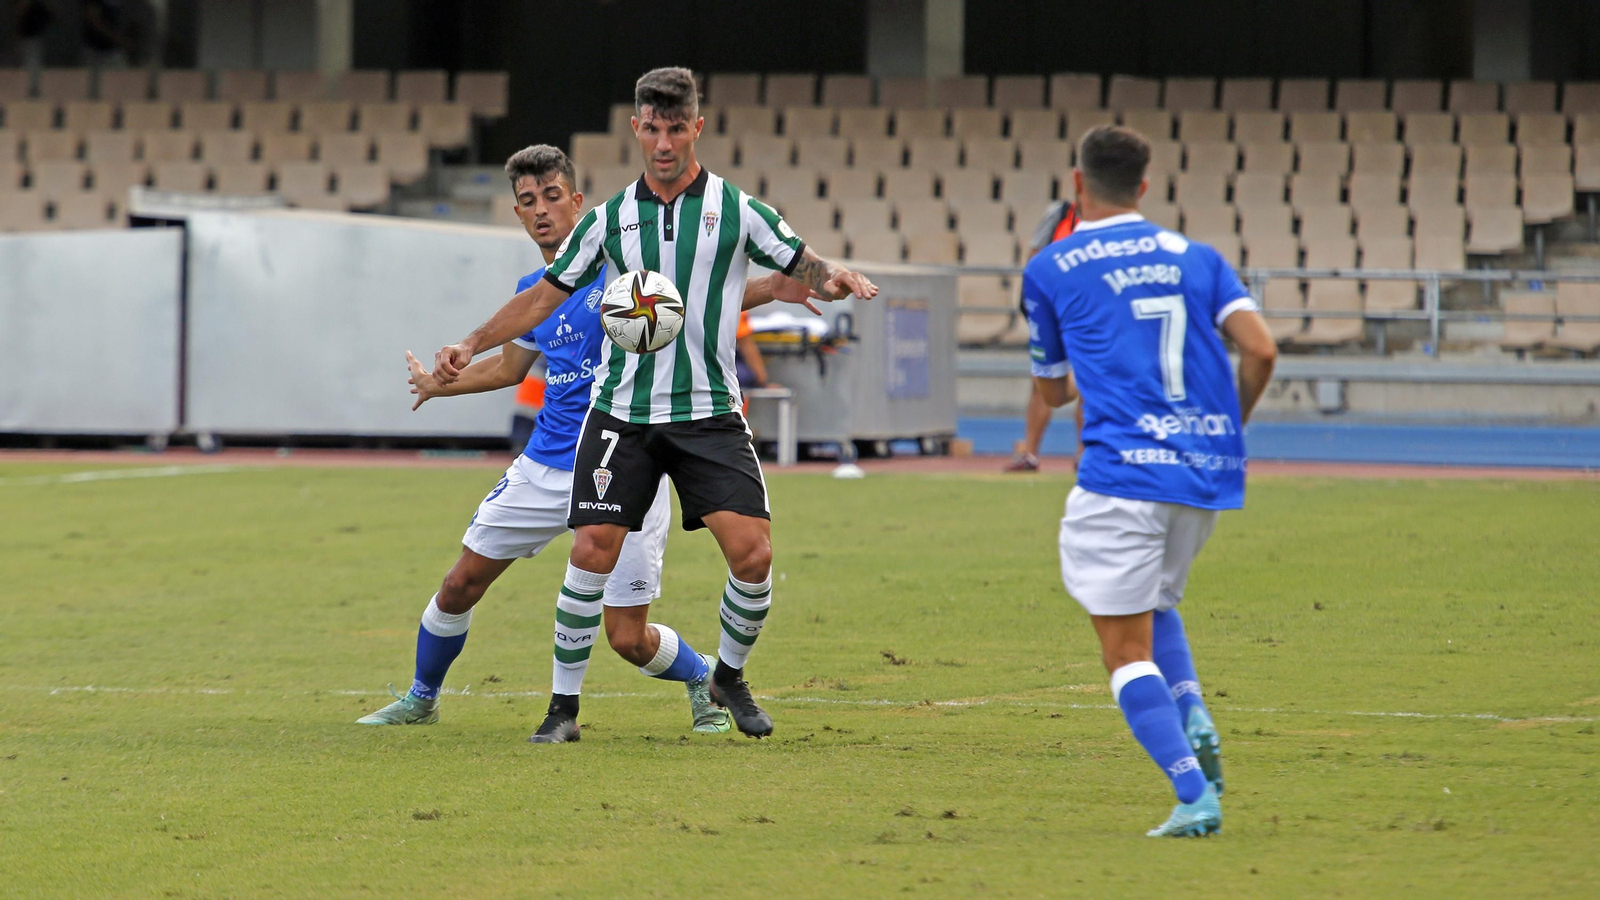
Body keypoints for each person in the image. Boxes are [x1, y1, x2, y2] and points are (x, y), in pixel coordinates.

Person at [432, 67, 878, 739]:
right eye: (653, 128)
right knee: (591, 550)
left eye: (677, 128)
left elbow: (799, 260)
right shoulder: (609, 219)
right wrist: (471, 340)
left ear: (696, 127)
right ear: (636, 128)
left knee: (753, 556)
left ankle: (726, 675)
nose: (664, 142)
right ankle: (563, 711)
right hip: (622, 415)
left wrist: (833, 275)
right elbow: (541, 299)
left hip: (706, 411)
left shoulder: (736, 210)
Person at [358, 144, 822, 742]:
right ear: (519, 215)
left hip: (625, 459)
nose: (542, 210)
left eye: (553, 196)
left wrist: (768, 288)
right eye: (528, 202)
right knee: (459, 583)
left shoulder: (623, 270)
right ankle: (422, 698)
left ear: (578, 201)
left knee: (627, 638)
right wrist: (437, 386)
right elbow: (507, 369)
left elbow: (697, 295)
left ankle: (702, 678)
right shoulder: (536, 291)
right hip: (547, 465)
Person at [1023, 125, 1277, 836]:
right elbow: (1260, 350)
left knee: (1122, 650)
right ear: (1144, 184)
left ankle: (1193, 793)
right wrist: (1231, 422)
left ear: (1077, 184)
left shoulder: (1050, 266)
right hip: (1204, 473)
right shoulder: (1199, 258)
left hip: (1121, 474)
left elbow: (1052, 396)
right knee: (1158, 600)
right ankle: (1191, 707)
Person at [1004, 199, 1080, 473]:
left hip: (1089, 312)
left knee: (1088, 381)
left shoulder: (1108, 223)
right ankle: (1030, 453)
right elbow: (1035, 259)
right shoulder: (1059, 214)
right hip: (1054, 311)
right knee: (1041, 381)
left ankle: (1084, 456)